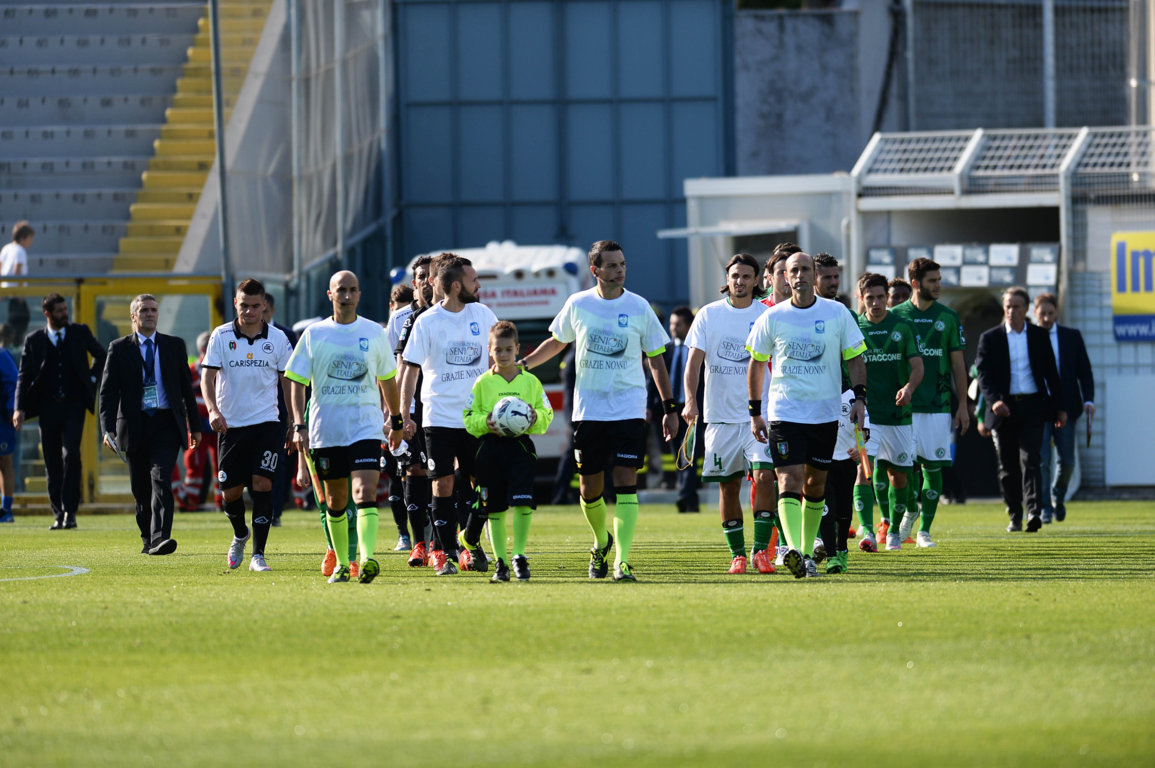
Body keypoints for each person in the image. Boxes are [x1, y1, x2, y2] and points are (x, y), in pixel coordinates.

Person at [521, 240, 678, 583]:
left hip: (629, 408)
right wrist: (522, 365)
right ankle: (600, 540)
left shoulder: (639, 307)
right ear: (595, 270)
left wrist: (669, 407)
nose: (620, 270)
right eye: (611, 265)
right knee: (589, 489)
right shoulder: (578, 304)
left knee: (625, 482)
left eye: (622, 264)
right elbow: (557, 341)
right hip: (589, 411)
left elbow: (656, 360)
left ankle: (622, 560)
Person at [746, 251, 867, 579]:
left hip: (825, 415)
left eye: (804, 270)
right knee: (788, 479)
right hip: (785, 414)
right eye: (791, 270)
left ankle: (808, 554)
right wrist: (756, 412)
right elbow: (756, 365)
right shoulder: (772, 317)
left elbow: (855, 357)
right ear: (783, 276)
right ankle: (797, 550)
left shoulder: (837, 313)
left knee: (816, 483)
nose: (797, 275)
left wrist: (860, 399)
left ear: (814, 275)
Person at [287, 270, 404, 583]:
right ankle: (341, 563)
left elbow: (387, 379)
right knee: (336, 501)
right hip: (327, 429)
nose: (347, 295)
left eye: (353, 289)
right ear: (330, 295)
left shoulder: (374, 332)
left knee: (365, 491)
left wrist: (395, 420)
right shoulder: (314, 335)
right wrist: (299, 424)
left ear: (360, 294)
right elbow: (295, 382)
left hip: (365, 427)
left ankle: (366, 558)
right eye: (341, 290)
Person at [400, 255, 498, 576]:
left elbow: (498, 361)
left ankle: (468, 540)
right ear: (457, 286)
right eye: (474, 280)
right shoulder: (426, 321)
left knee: (486, 486)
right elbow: (410, 371)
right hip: (438, 419)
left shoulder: (483, 314)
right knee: (441, 486)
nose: (479, 285)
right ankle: (443, 553)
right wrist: (404, 415)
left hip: (476, 419)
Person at [682, 253, 775, 574]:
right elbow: (692, 363)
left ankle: (761, 551)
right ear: (727, 278)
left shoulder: (767, 315)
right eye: (735, 275)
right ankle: (737, 554)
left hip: (759, 417)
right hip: (719, 418)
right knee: (729, 486)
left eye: (746, 276)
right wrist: (689, 401)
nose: (740, 281)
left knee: (765, 477)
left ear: (756, 281)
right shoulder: (708, 315)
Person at [201, 279, 294, 572]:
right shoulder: (221, 335)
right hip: (231, 426)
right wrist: (213, 410)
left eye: (255, 306)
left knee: (262, 484)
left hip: (267, 423)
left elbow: (288, 381)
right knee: (230, 492)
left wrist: (294, 421)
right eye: (244, 305)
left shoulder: (278, 338)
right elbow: (207, 377)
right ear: (235, 304)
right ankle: (240, 533)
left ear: (264, 305)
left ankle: (258, 555)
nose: (250, 311)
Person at [99, 294, 200, 554]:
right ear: (133, 316)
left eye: (154, 310)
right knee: (141, 489)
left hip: (166, 423)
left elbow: (187, 390)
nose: (150, 314)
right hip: (133, 425)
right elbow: (108, 393)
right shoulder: (119, 348)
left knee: (161, 478)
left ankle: (160, 538)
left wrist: (195, 426)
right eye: (144, 310)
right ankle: (147, 537)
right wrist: (107, 429)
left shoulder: (174, 345)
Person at [464, 321, 553, 582]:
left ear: (517, 349)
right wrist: (486, 423)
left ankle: (519, 555)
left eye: (508, 350)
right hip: (490, 449)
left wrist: (536, 417)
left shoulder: (531, 382)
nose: (503, 355)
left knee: (523, 501)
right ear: (489, 350)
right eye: (497, 350)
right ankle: (500, 563)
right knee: (495, 508)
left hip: (521, 448)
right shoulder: (482, 383)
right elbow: (469, 417)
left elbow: (546, 414)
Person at [890, 258, 970, 547]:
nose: (938, 285)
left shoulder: (947, 317)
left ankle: (924, 531)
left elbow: (959, 365)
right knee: (901, 470)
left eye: (939, 279)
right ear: (915, 283)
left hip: (938, 405)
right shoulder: (895, 316)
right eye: (932, 281)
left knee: (932, 467)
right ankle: (909, 511)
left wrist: (962, 405)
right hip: (903, 407)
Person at [975, 287, 1065, 533]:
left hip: (1033, 405)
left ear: (1026, 309)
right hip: (1003, 408)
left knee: (1032, 459)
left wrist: (1060, 408)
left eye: (1016, 306)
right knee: (1008, 466)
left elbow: (1051, 374)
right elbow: (983, 375)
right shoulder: (990, 338)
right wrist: (993, 400)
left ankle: (1034, 511)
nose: (1011, 311)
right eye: (1007, 306)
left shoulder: (1038, 336)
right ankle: (1015, 513)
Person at [13, 294, 106, 530]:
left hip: (74, 405)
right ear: (47, 314)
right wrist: (19, 408)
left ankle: (70, 511)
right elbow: (23, 376)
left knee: (71, 455)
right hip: (47, 407)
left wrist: (92, 378)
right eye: (60, 311)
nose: (65, 314)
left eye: (66, 309)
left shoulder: (79, 332)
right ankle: (58, 513)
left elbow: (102, 355)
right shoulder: (34, 340)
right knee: (51, 462)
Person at [853, 273, 924, 552]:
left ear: (887, 298)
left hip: (898, 415)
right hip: (866, 415)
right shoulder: (854, 327)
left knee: (898, 476)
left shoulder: (903, 326)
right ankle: (868, 531)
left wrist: (908, 388)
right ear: (861, 299)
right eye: (869, 297)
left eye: (880, 297)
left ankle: (893, 531)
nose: (876, 303)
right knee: (863, 470)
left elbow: (918, 366)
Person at [1032, 293, 1095, 524]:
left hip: (1067, 407)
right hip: (1039, 408)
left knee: (1067, 460)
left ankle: (1058, 495)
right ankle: (1046, 507)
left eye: (1050, 313)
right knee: (1042, 460)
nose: (1047, 318)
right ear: (1035, 313)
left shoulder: (1071, 336)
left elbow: (1084, 372)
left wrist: (1089, 400)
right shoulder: (1029, 337)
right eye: (1042, 314)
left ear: (1056, 312)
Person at [390, 254, 435, 568]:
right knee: (414, 471)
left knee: (453, 475)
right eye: (420, 276)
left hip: (446, 406)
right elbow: (395, 369)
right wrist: (395, 413)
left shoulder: (455, 313)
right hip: (414, 408)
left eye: (430, 276)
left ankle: (456, 541)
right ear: (414, 282)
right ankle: (418, 542)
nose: (425, 282)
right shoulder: (402, 319)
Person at [650, 305, 702, 511]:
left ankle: (684, 495)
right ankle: (689, 497)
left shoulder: (697, 351)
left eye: (677, 324)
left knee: (691, 454)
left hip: (693, 409)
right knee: (676, 454)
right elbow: (652, 380)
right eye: (671, 324)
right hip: (671, 409)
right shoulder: (667, 350)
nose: (673, 328)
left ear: (689, 326)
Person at [262, 291, 298, 527]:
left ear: (272, 310)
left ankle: (275, 510)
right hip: (256, 408)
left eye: (263, 310)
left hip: (282, 407)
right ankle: (264, 507)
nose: (258, 315)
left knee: (282, 462)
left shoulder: (286, 335)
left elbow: (296, 374)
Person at [1, 221, 33, 341]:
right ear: (23, 238)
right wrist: (20, 293)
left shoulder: (6, 248)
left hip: (6, 290)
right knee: (21, 319)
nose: (31, 242)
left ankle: (8, 341)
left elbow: (0, 267)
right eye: (30, 238)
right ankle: (11, 343)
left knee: (14, 319)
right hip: (16, 292)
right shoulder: (20, 250)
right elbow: (17, 270)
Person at [0, 330, 17, 522]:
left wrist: (11, 409)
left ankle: (6, 509)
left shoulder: (2, 355)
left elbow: (13, 382)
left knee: (4, 461)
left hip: (2, 419)